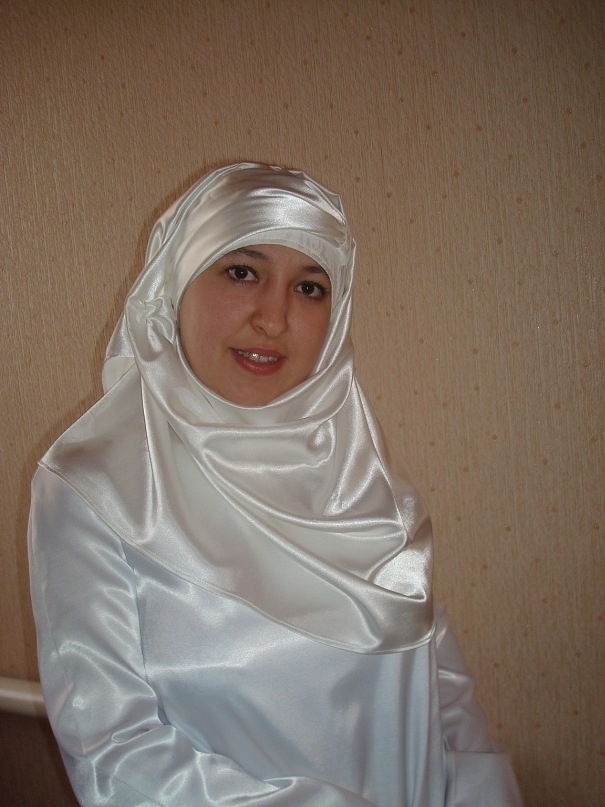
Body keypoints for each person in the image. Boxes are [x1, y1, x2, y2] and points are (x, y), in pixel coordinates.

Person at [28, 162, 522, 806]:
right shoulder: (95, 490)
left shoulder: (368, 494)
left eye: (310, 287)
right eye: (242, 272)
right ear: (176, 282)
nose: (273, 317)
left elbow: (448, 711)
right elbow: (116, 755)